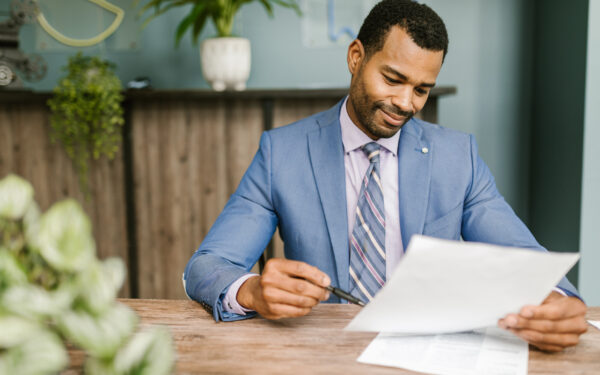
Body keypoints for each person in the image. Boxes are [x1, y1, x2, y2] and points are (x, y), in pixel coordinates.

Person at [183, 0, 587, 352]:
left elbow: (526, 257)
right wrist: (251, 291)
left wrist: (556, 299)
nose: (405, 103)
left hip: (432, 352)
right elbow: (207, 265)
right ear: (356, 56)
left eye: (422, 90)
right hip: (320, 351)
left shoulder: (457, 157)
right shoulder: (282, 153)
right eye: (393, 80)